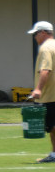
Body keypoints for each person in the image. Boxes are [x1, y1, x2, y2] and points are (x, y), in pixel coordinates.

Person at [28, 20, 55, 163]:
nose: (35, 37)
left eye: (36, 34)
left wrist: (38, 89)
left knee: (52, 127)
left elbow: (46, 70)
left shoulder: (45, 48)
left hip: (51, 95)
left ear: (43, 33)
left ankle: (54, 155)